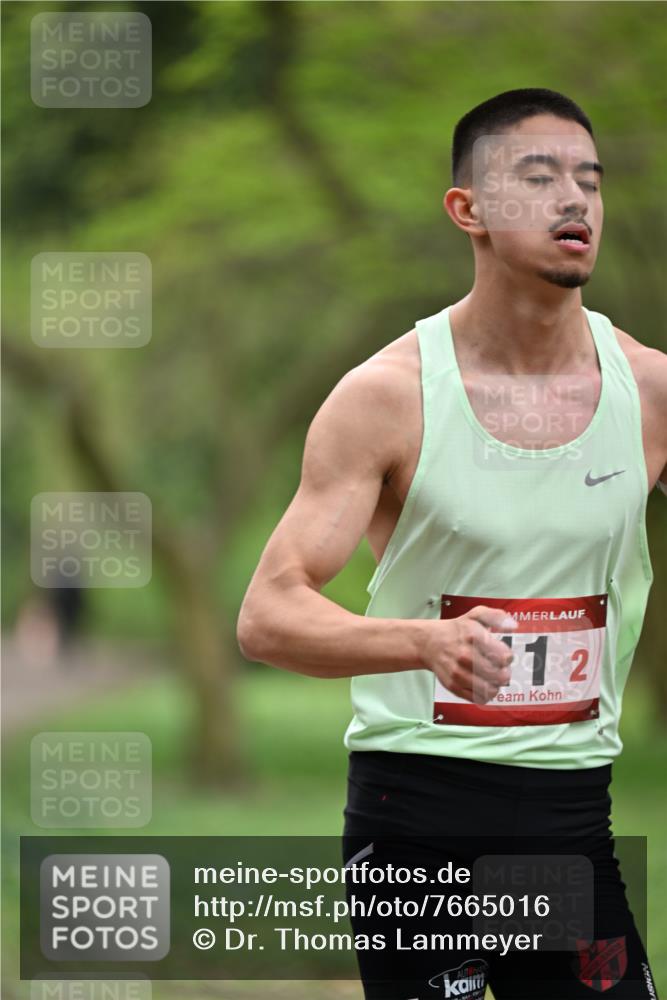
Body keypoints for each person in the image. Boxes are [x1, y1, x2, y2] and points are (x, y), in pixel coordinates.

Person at [237, 88, 666, 998]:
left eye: (589, 180)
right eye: (538, 176)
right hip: (418, 815)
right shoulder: (387, 396)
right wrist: (422, 643)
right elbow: (269, 615)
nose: (574, 201)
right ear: (466, 209)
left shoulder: (650, 392)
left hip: (570, 815)